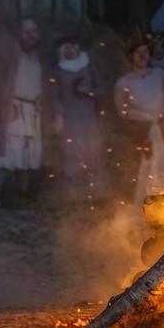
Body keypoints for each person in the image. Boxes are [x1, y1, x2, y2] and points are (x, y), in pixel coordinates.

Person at [0, 16, 50, 205]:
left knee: (28, 155)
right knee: (5, 153)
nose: (30, 35)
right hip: (11, 108)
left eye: (34, 31)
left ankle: (22, 196)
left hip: (33, 110)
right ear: (20, 34)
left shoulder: (40, 57)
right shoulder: (9, 54)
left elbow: (48, 87)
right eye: (26, 31)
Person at [114, 36, 164, 204]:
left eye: (145, 51)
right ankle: (140, 212)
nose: (142, 55)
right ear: (131, 56)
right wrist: (138, 133)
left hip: (158, 131)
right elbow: (122, 112)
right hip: (138, 133)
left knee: (163, 169)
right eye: (137, 52)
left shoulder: (159, 75)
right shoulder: (123, 83)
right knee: (142, 171)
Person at [55, 35, 108, 205]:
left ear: (78, 47)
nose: (69, 49)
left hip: (88, 120)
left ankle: (97, 199)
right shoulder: (59, 70)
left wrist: (89, 91)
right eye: (66, 47)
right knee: (71, 160)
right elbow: (56, 97)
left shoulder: (89, 65)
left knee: (93, 157)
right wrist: (58, 117)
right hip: (70, 122)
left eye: (72, 46)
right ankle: (73, 201)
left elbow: (102, 90)